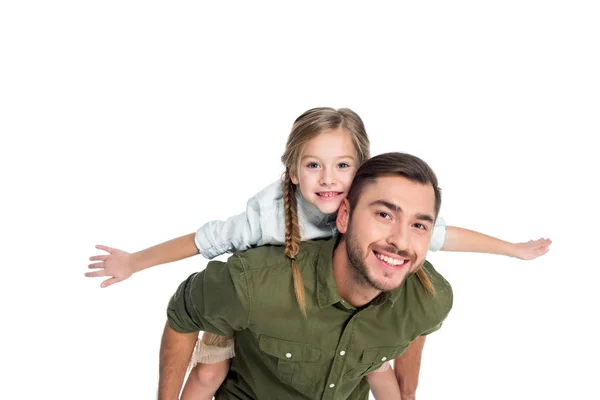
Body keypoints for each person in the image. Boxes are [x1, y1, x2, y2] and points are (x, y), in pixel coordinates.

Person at [86, 108, 551, 399]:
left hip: (339, 335)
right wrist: (133, 262)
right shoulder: (266, 222)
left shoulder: (389, 218)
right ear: (292, 172)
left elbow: (447, 235)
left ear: (361, 171)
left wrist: (512, 250)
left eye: (343, 166)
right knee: (208, 377)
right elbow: (202, 241)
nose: (328, 180)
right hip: (247, 312)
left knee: (376, 369)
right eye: (313, 166)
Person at [160, 151, 454, 399]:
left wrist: (409, 390)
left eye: (419, 226)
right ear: (344, 216)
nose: (401, 241)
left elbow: (418, 327)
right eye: (384, 215)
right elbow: (183, 316)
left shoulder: (430, 298)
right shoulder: (253, 283)